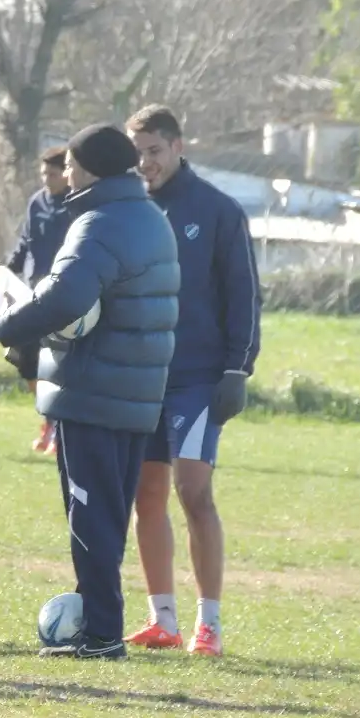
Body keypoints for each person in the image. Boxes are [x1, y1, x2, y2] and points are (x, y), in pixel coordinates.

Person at [0, 123, 179, 659]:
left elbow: (66, 295)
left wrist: (9, 322)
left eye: (71, 166)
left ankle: (101, 634)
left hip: (93, 391)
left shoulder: (98, 222)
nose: (65, 174)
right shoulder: (150, 216)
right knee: (109, 512)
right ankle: (95, 617)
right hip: (135, 393)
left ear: (91, 168)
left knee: (90, 513)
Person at [126, 105, 261, 658]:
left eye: (154, 151)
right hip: (141, 376)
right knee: (147, 495)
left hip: (199, 378)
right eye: (137, 153)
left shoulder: (218, 211)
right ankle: (163, 620)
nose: (145, 163)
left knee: (194, 491)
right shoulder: (127, 210)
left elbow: (244, 294)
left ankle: (210, 625)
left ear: (178, 146)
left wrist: (237, 368)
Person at [6, 146, 74, 454]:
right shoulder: (37, 203)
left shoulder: (78, 205)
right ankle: (48, 418)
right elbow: (25, 243)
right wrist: (7, 271)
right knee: (25, 360)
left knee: (60, 366)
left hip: (65, 297)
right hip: (35, 295)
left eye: (53, 173)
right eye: (44, 173)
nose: (47, 179)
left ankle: (60, 428)